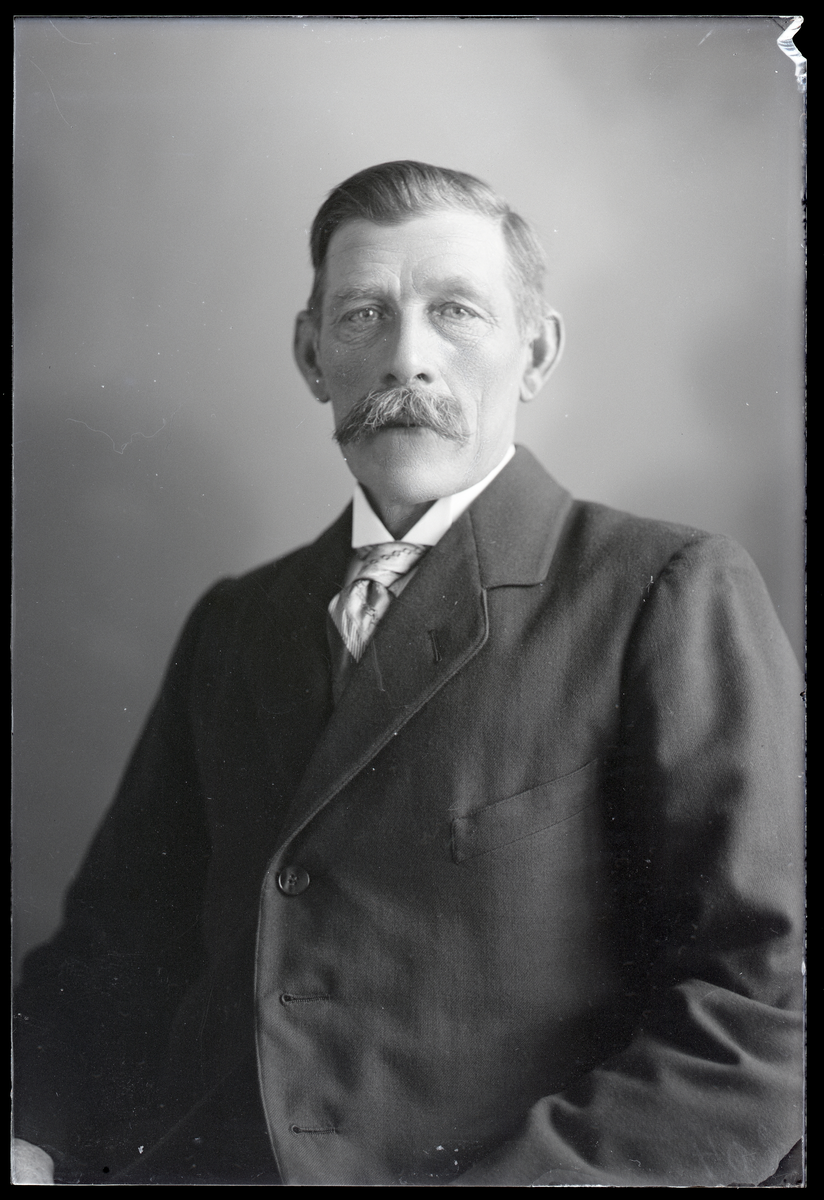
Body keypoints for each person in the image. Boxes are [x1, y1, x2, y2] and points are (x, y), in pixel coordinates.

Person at [14, 161, 804, 1186]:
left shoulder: (662, 590)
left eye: (455, 312)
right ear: (311, 356)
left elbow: (761, 1006)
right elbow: (112, 958)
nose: (407, 358)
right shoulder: (236, 624)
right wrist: (33, 1139)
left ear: (535, 351)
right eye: (363, 316)